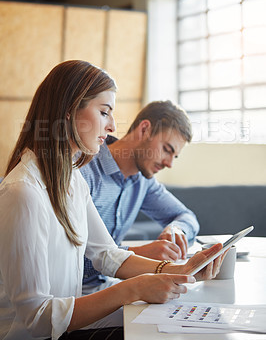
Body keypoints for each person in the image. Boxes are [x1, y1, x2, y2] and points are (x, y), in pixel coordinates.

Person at [0, 60, 224, 340]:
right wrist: (133, 288)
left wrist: (182, 270)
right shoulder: (24, 192)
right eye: (105, 112)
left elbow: (106, 254)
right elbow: (36, 319)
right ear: (69, 112)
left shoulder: (71, 179)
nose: (112, 126)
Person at [80, 100, 199, 297]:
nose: (169, 163)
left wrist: (176, 229)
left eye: (174, 156)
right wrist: (137, 254)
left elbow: (186, 216)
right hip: (71, 296)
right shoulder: (85, 170)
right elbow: (67, 257)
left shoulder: (144, 182)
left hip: (106, 287)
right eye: (167, 149)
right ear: (144, 130)